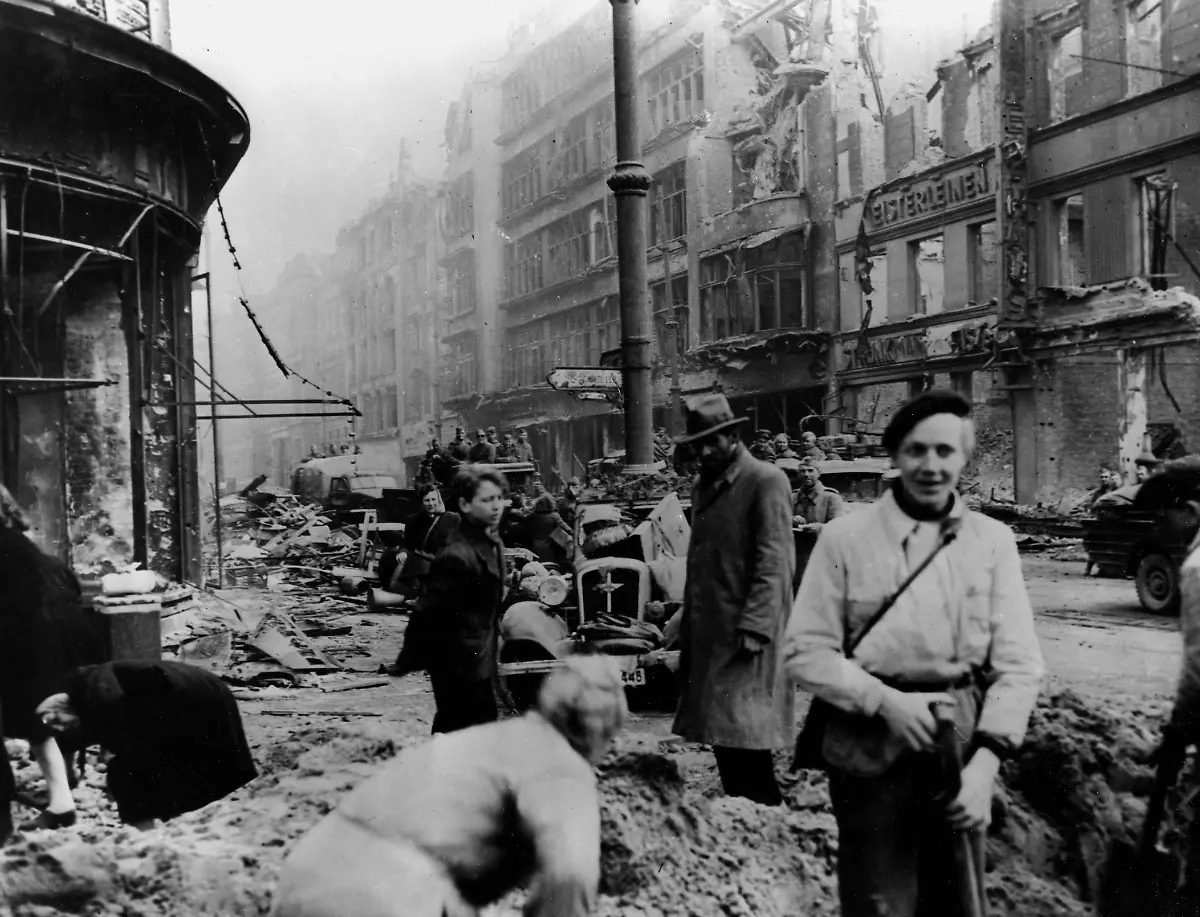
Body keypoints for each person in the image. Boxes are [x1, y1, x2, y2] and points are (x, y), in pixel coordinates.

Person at [784, 390, 1044, 917]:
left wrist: (985, 767)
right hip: (867, 741)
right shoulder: (844, 539)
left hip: (962, 742)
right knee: (878, 903)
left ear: (964, 458)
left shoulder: (993, 542)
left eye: (945, 452)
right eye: (916, 450)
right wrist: (885, 703)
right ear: (896, 456)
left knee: (956, 902)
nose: (931, 466)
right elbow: (804, 651)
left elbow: (1019, 664)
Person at [270, 656, 626, 917]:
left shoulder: (492, 739)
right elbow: (570, 877)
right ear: (603, 731)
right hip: (384, 896)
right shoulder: (560, 762)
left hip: (306, 876)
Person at [670, 394, 796, 806]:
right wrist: (683, 620)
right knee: (723, 737)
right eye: (697, 445)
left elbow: (774, 561)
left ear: (733, 436)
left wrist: (757, 626)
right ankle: (748, 822)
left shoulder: (765, 480)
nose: (703, 453)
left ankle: (766, 825)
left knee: (747, 738)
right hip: (713, 631)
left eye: (712, 443)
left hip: (746, 636)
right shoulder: (702, 485)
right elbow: (702, 561)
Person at [37, 659, 257, 830]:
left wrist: (122, 752)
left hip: (191, 698)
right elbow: (70, 743)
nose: (59, 727)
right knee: (168, 770)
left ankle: (144, 838)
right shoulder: (84, 699)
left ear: (61, 705)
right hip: (200, 696)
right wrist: (68, 778)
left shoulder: (91, 683)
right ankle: (169, 826)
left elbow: (113, 706)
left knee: (126, 774)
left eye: (55, 720)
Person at [0, 484, 101, 836]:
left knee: (34, 718)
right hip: (71, 632)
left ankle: (61, 804)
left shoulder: (5, 547)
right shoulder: (28, 547)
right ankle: (68, 774)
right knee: (54, 707)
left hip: (36, 635)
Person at [400, 466, 507, 734]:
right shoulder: (457, 555)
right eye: (486, 500)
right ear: (465, 504)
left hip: (480, 658)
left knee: (468, 729)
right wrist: (408, 659)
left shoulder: (490, 545)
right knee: (461, 728)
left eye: (498, 498)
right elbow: (426, 610)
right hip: (457, 663)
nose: (496, 507)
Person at [1137, 466, 1200, 905]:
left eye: (1163, 517)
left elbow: (1199, 666)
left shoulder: (1197, 567)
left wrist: (1179, 726)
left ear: (1192, 513)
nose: (1159, 529)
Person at [382, 484, 460, 598]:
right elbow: (406, 543)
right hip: (421, 563)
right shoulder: (413, 520)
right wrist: (403, 552)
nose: (431, 503)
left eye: (434, 499)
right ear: (421, 502)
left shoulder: (452, 518)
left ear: (439, 499)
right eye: (427, 500)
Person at [792, 456, 846, 591]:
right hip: (795, 555)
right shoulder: (791, 497)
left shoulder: (831, 497)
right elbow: (776, 521)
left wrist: (820, 528)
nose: (806, 475)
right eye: (802, 471)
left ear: (819, 473)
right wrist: (790, 519)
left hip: (822, 553)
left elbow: (839, 525)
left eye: (810, 470)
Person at [529, 494, 569, 566]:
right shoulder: (554, 516)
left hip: (534, 545)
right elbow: (566, 528)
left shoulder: (532, 516)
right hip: (549, 546)